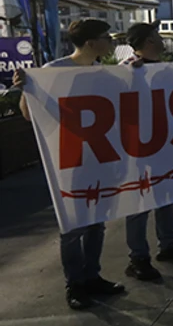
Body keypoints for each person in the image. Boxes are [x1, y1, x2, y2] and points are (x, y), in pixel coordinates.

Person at [13, 19, 126, 310]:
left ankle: (92, 277)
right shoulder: (53, 72)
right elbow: (29, 114)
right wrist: (26, 88)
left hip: (98, 156)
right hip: (70, 159)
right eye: (106, 37)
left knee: (97, 223)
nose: (111, 42)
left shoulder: (102, 72)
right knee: (73, 225)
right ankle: (75, 284)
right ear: (90, 43)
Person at [119, 21, 173, 280]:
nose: (161, 38)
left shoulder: (167, 67)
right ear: (148, 41)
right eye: (156, 34)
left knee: (166, 194)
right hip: (140, 147)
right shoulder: (127, 70)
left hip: (165, 143)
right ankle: (138, 258)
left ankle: (168, 244)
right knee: (139, 201)